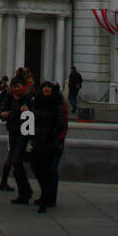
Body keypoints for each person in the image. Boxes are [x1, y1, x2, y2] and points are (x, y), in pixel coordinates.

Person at [29, 80, 66, 213]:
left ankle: (46, 199)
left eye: (49, 88)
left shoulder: (57, 104)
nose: (46, 89)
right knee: (36, 167)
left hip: (49, 143)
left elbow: (60, 123)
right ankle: (46, 195)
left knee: (47, 171)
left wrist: (51, 136)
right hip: (38, 141)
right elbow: (30, 119)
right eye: (44, 87)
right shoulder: (36, 102)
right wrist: (31, 136)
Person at [0, 75, 35, 205]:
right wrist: (3, 114)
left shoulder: (27, 98)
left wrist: (25, 111)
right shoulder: (9, 97)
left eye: (18, 86)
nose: (16, 89)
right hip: (13, 132)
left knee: (16, 161)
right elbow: (2, 111)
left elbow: (31, 114)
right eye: (14, 87)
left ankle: (25, 191)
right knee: (16, 163)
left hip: (23, 134)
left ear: (22, 86)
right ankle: (25, 192)